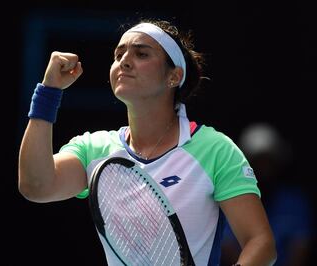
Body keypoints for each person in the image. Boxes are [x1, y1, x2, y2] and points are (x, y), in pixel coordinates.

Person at [18, 18, 277, 266]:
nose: (125, 62)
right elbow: (36, 186)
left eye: (141, 54)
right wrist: (49, 91)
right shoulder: (94, 149)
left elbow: (261, 242)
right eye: (119, 55)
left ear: (174, 76)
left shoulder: (215, 149)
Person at [221, 123, 313, 266]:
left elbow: (301, 247)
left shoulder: (295, 201)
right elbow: (227, 247)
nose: (264, 169)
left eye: (268, 161)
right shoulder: (230, 200)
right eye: (258, 162)